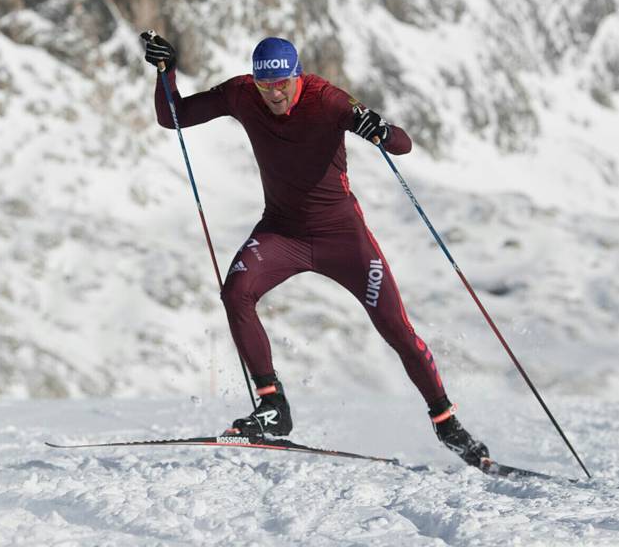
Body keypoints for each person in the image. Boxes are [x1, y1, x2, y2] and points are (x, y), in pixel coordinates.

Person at [142, 31, 489, 467]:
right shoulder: (241, 93)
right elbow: (173, 117)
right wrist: (166, 72)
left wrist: (379, 128)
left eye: (282, 84)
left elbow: (403, 144)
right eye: (266, 86)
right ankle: (273, 408)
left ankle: (446, 422)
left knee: (395, 329)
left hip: (342, 237)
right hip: (281, 232)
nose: (274, 94)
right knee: (236, 293)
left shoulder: (327, 100)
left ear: (297, 76)